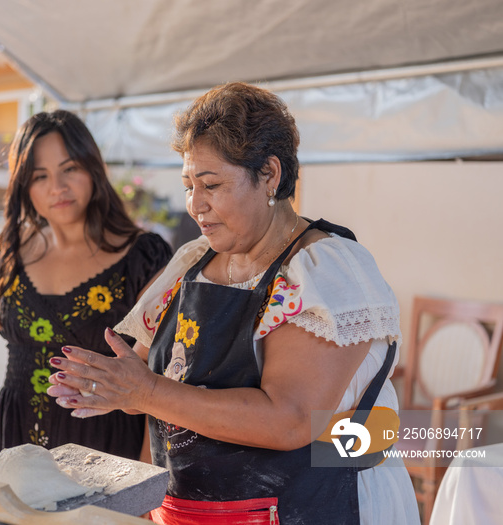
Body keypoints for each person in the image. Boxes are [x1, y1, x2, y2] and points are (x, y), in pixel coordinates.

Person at [47, 82, 420, 524]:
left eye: (212, 184)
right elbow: (154, 386)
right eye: (189, 185)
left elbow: (290, 419)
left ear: (270, 175)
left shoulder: (323, 271)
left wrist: (146, 391)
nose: (195, 205)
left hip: (310, 509)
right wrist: (115, 387)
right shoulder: (191, 264)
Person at [0, 110, 172, 471]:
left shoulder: (145, 258)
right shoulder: (10, 253)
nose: (57, 187)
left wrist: (148, 473)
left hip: (109, 457)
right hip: (15, 445)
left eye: (69, 169)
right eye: (40, 176)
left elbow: (160, 377)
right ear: (24, 185)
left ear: (92, 169)